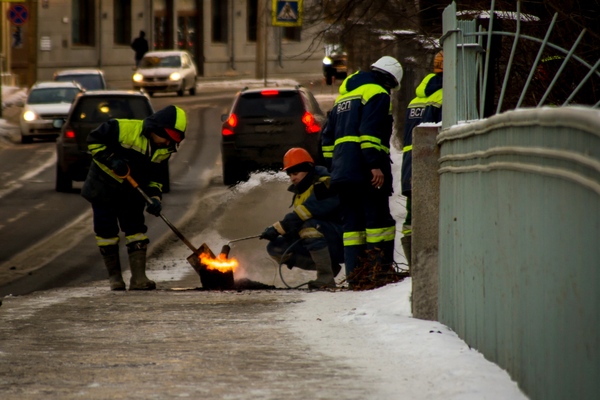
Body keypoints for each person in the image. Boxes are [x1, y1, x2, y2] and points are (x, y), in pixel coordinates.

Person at [81, 105, 187, 291]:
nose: (168, 144)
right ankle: (115, 278)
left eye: (172, 141)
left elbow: (157, 177)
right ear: (156, 128)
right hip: (102, 188)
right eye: (167, 139)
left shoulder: (164, 150)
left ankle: (138, 278)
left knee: (136, 230)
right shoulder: (122, 128)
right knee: (106, 232)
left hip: (132, 192)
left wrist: (155, 198)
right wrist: (111, 159)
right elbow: (93, 141)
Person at [321, 56, 403, 284]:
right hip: (366, 172)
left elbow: (326, 140)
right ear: (389, 79)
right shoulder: (377, 93)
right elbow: (370, 134)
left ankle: (355, 277)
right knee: (379, 222)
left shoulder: (343, 98)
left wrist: (334, 167)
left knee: (352, 227)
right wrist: (374, 165)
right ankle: (378, 274)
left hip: (343, 174)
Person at [259, 148, 344, 290]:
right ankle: (330, 267)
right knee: (275, 247)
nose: (292, 178)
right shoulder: (301, 190)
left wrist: (279, 227)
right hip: (323, 238)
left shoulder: (325, 184)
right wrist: (285, 232)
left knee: (309, 228)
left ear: (308, 169)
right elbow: (300, 220)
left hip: (341, 240)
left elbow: (309, 210)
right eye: (290, 175)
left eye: (295, 173)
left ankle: (325, 277)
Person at [400, 50, 444, 268]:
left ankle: (413, 265)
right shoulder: (446, 96)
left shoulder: (416, 99)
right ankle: (424, 267)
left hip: (410, 165)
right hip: (432, 164)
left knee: (411, 217)